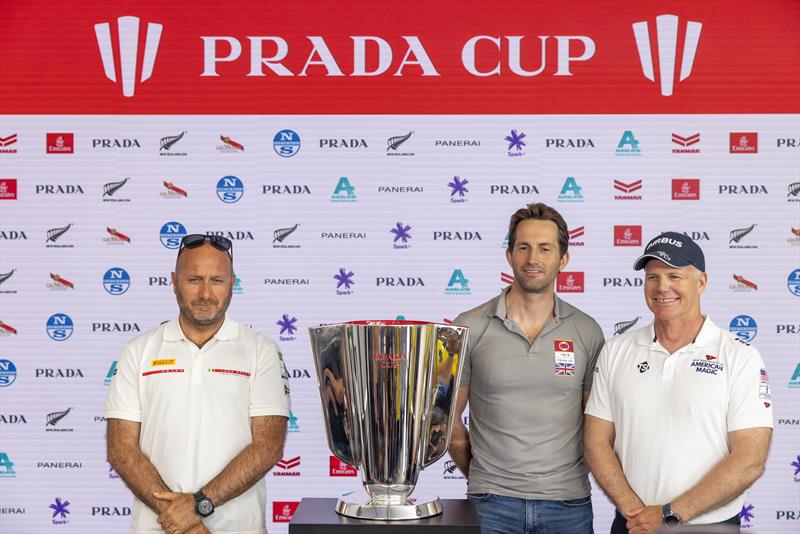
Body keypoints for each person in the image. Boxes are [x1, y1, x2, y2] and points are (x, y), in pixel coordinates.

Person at [584, 232, 772, 534]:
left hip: (709, 527)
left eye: (674, 276)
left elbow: (750, 460)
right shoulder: (616, 350)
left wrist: (670, 514)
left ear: (701, 283)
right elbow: (596, 441)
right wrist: (637, 512)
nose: (662, 287)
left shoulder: (739, 355)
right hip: (633, 524)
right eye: (652, 277)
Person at [106, 234, 290, 534]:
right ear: (174, 281)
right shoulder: (138, 350)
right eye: (194, 279)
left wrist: (198, 506)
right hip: (158, 527)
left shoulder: (261, 350)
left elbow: (268, 446)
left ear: (232, 283)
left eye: (216, 280)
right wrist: (182, 521)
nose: (206, 293)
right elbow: (120, 448)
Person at [448, 203, 605, 534]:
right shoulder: (469, 327)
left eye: (545, 248)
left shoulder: (587, 331)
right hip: (491, 503)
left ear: (563, 258)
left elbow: (596, 427)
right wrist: (480, 474)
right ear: (509, 255)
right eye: (524, 247)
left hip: (568, 504)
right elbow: (445, 419)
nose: (533, 258)